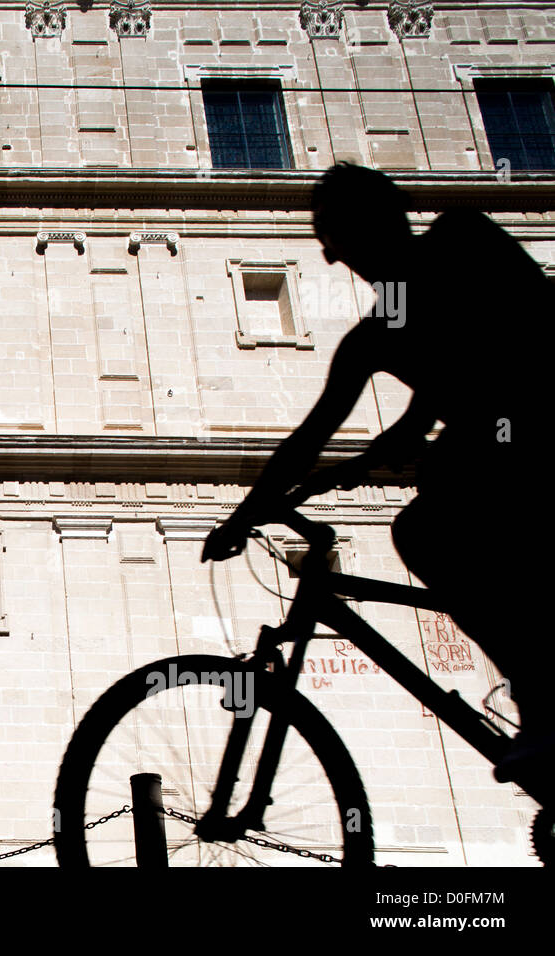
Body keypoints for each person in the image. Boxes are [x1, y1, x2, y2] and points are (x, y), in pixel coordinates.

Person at [200, 162, 553, 782]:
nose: (333, 260)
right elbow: (317, 439)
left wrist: (247, 513)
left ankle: (545, 703)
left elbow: (520, 341)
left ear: (373, 220)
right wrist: (283, 496)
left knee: (427, 526)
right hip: (502, 441)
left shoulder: (462, 238)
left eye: (331, 236)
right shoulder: (380, 333)